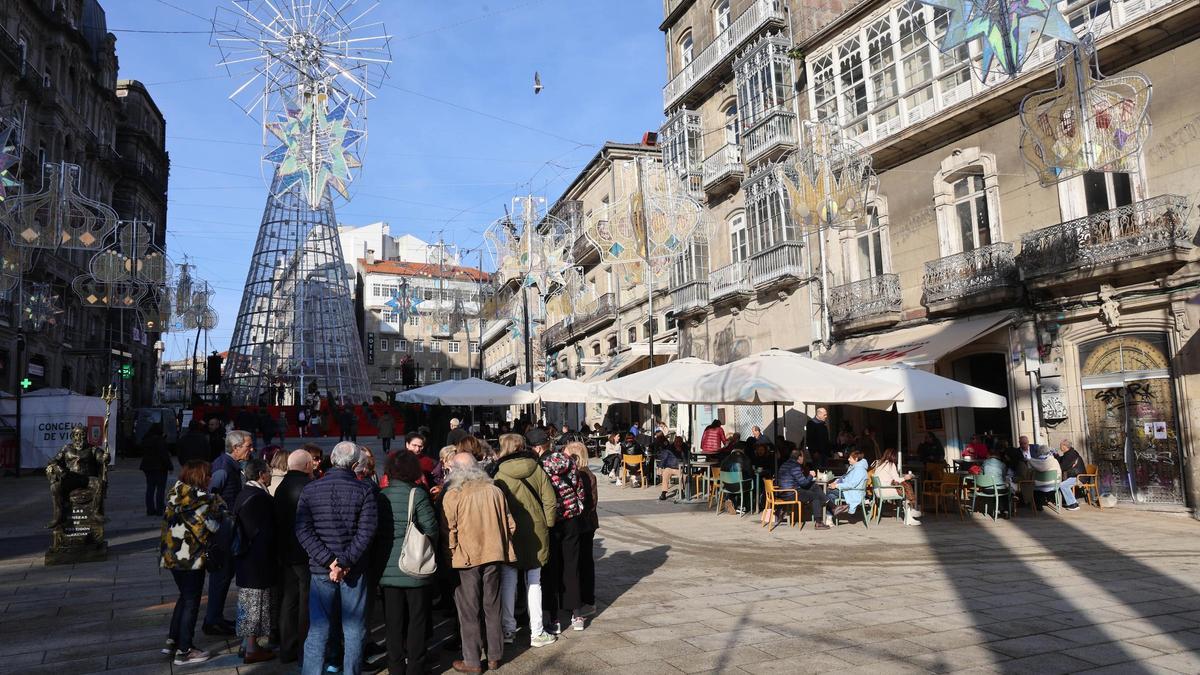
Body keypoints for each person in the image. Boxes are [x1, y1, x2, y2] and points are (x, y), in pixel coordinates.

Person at [295, 442, 379, 675]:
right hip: (351, 567)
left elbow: (303, 530)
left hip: (325, 568)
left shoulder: (311, 489)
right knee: (353, 628)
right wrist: (341, 563)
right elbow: (366, 533)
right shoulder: (364, 490)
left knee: (319, 627)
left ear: (331, 460)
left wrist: (330, 561)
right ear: (354, 465)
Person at [441, 452, 516, 673]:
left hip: (466, 558)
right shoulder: (494, 490)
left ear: (455, 471)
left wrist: (450, 556)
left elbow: (448, 531)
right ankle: (494, 656)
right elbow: (510, 525)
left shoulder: (454, 494)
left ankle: (472, 661)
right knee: (492, 605)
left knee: (469, 609)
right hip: (493, 555)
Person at [492, 434, 558, 648]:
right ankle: (537, 631)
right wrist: (547, 523)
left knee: (509, 579)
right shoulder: (536, 468)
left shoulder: (499, 474)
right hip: (536, 529)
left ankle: (508, 629)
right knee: (534, 580)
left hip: (510, 531)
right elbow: (550, 499)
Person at [160, 460, 227, 666]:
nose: (210, 479)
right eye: (208, 476)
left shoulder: (176, 493)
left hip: (171, 555)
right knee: (192, 602)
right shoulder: (202, 501)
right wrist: (219, 507)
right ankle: (185, 650)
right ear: (201, 477)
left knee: (184, 597)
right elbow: (212, 527)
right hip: (191, 557)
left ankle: (173, 640)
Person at [378, 451, 438, 675]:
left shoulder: (380, 495)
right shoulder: (417, 494)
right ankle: (415, 666)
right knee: (417, 620)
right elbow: (430, 528)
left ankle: (395, 667)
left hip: (387, 567)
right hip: (415, 565)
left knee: (392, 623)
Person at [530, 429, 587, 634]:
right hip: (571, 517)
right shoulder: (567, 459)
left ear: (537, 447)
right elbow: (579, 486)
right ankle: (577, 612)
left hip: (551, 519)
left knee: (550, 567)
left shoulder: (539, 466)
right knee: (572, 564)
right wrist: (576, 506)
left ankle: (553, 617)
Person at [204, 430, 253, 636]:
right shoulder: (223, 469)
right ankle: (212, 620)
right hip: (223, 534)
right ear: (235, 448)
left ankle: (216, 617)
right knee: (221, 577)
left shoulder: (232, 466)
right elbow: (208, 498)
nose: (251, 450)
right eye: (248, 446)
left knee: (224, 577)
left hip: (228, 529)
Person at [233, 459, 277, 664]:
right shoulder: (260, 497)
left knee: (247, 601)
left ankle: (246, 644)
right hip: (257, 560)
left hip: (244, 558)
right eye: (268, 472)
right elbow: (268, 531)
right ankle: (251, 647)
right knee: (256, 603)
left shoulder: (244, 493)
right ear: (261, 474)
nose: (270, 475)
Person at [273, 450, 314, 664]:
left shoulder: (281, 487)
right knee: (306, 601)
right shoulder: (308, 487)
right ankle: (304, 648)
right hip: (304, 553)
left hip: (285, 551)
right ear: (307, 465)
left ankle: (287, 647)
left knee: (289, 600)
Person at [563, 441, 598, 620]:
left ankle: (587, 600)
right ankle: (583, 599)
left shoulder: (583, 475)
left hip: (583, 524)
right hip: (585, 524)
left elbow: (589, 504)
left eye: (566, 453)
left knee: (583, 562)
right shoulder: (583, 474)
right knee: (583, 562)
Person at [773, 449, 833, 530]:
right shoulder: (795, 466)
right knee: (815, 496)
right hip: (791, 493)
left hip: (782, 492)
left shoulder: (785, 464)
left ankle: (833, 506)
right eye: (803, 457)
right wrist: (811, 475)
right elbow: (803, 483)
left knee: (814, 486)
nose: (803, 459)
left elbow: (799, 481)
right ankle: (819, 522)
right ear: (799, 457)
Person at [870, 448, 921, 525]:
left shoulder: (880, 464)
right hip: (885, 490)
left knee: (903, 489)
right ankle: (909, 516)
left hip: (878, 491)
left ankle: (910, 511)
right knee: (905, 491)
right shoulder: (890, 464)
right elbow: (897, 479)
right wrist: (907, 477)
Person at [140, 423, 173, 517]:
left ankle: (150, 509)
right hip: (160, 467)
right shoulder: (160, 440)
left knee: (150, 488)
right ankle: (160, 509)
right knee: (160, 488)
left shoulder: (146, 439)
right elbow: (164, 455)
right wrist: (170, 466)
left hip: (147, 467)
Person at [827, 450, 869, 520]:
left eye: (850, 458)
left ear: (856, 459)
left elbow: (851, 484)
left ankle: (830, 514)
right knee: (830, 495)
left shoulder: (859, 470)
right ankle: (831, 515)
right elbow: (845, 478)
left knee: (827, 491)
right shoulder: (854, 467)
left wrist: (836, 486)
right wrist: (836, 482)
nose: (848, 459)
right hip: (849, 491)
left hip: (854, 493)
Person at [719, 447, 755, 515]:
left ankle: (729, 499)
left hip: (726, 486)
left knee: (734, 483)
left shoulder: (725, 459)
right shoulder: (745, 459)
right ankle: (741, 507)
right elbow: (750, 474)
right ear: (743, 450)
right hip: (739, 486)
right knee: (749, 484)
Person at [1052, 440, 1085, 511]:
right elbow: (1062, 460)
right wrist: (1056, 455)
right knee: (1062, 484)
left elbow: (1063, 467)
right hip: (1074, 476)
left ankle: (1073, 504)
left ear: (1064, 446)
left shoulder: (1070, 455)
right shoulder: (1069, 453)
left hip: (1079, 477)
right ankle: (1068, 501)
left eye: (1061, 445)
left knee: (1063, 485)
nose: (1060, 447)